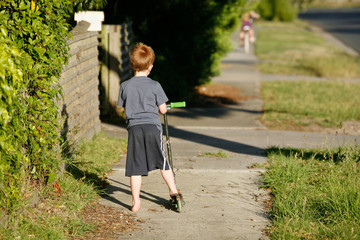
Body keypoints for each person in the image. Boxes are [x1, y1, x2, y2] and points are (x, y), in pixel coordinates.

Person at [117, 42, 180, 212]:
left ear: (131, 65)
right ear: (150, 67)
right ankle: (174, 191)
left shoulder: (125, 86)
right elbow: (162, 109)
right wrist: (165, 107)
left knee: (135, 166)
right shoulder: (155, 85)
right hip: (152, 127)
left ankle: (136, 202)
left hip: (135, 129)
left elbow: (123, 107)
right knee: (162, 160)